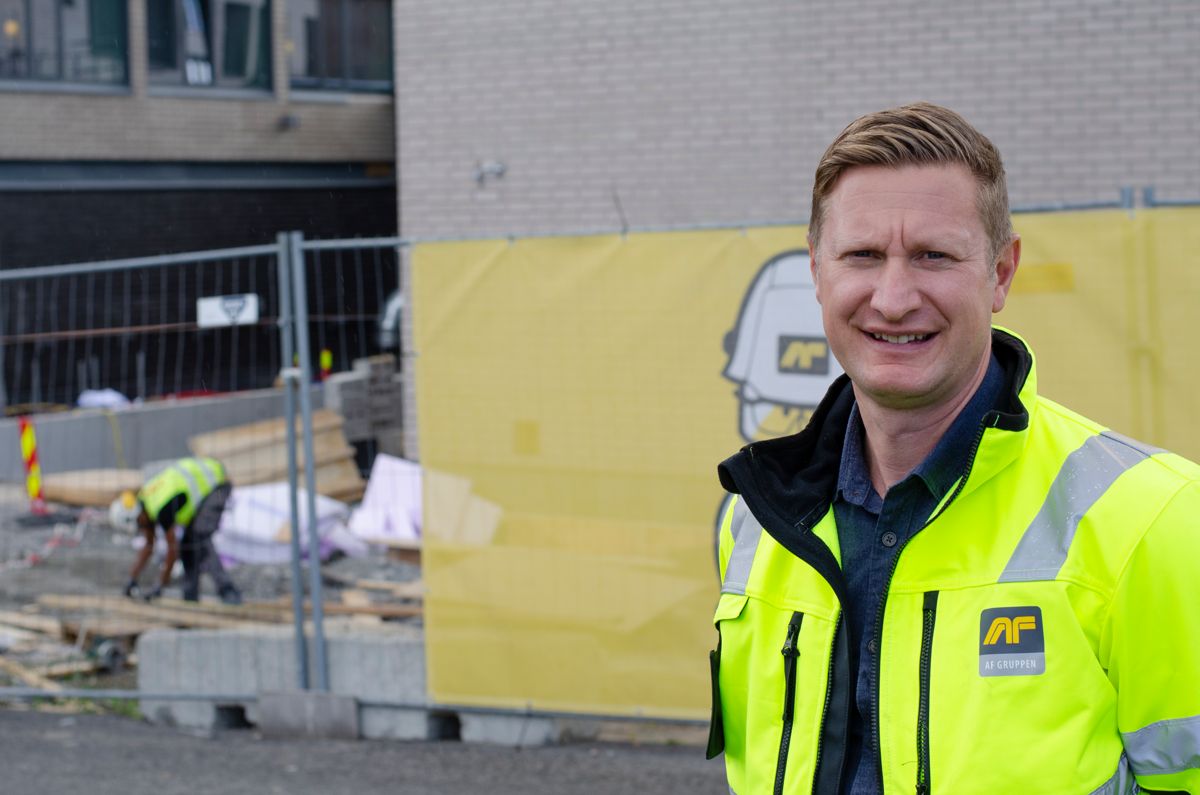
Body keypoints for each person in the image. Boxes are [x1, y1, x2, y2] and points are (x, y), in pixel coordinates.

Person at [708, 103, 1200, 794]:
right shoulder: (756, 524)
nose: (894, 296)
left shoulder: (1154, 520)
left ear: (1000, 273)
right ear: (817, 270)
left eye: (934, 255)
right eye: (863, 255)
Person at [111, 457, 242, 605]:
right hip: (204, 491)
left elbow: (172, 550)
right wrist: (132, 579)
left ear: (137, 515)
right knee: (188, 545)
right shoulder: (146, 504)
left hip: (217, 484)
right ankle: (190, 598)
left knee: (200, 536)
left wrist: (161, 584)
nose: (142, 528)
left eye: (139, 525)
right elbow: (148, 546)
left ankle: (228, 591)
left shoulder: (161, 508)